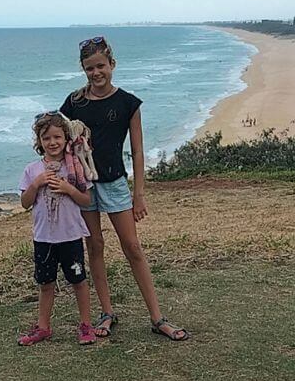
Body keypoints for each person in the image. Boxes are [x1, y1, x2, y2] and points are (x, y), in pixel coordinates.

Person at [59, 36, 189, 341]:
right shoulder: (74, 102)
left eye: (100, 66)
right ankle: (106, 314)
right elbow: (58, 138)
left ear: (112, 65)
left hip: (116, 184)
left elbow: (139, 151)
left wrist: (139, 194)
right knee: (95, 247)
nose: (95, 73)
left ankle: (158, 318)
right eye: (89, 68)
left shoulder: (128, 103)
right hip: (85, 186)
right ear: (83, 69)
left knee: (132, 248)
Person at [17, 112, 96, 346]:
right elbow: (24, 202)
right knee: (46, 283)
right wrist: (36, 184)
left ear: (66, 138)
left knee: (78, 280)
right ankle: (43, 327)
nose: (52, 143)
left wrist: (67, 188)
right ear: (39, 142)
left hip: (70, 235)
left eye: (57, 137)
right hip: (44, 238)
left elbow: (86, 199)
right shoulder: (32, 170)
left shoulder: (75, 167)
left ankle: (85, 325)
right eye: (46, 138)